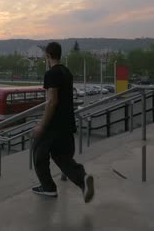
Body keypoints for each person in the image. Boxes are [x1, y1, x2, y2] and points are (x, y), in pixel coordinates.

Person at [31, 42, 94, 202]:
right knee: (62, 157)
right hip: (68, 123)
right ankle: (83, 179)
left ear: (47, 55)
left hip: (54, 125)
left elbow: (52, 102)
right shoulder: (67, 72)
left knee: (38, 153)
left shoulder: (52, 74)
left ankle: (48, 187)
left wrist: (42, 126)